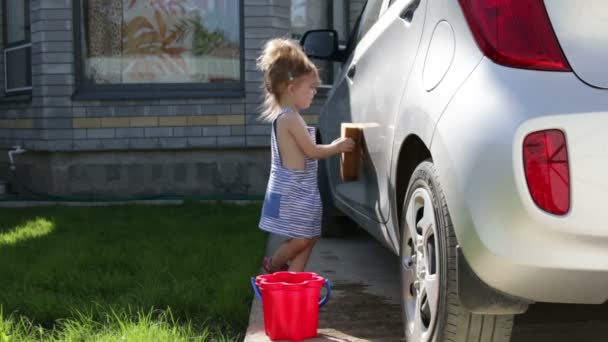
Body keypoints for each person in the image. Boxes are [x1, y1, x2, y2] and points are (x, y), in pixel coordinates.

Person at [256, 38, 355, 273]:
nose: (314, 92)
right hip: (293, 192)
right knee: (302, 238)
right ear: (292, 89)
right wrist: (336, 147)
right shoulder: (289, 118)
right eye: (310, 87)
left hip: (303, 190)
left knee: (310, 237)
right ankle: (274, 264)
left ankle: (294, 280)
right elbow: (311, 151)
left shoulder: (293, 117)